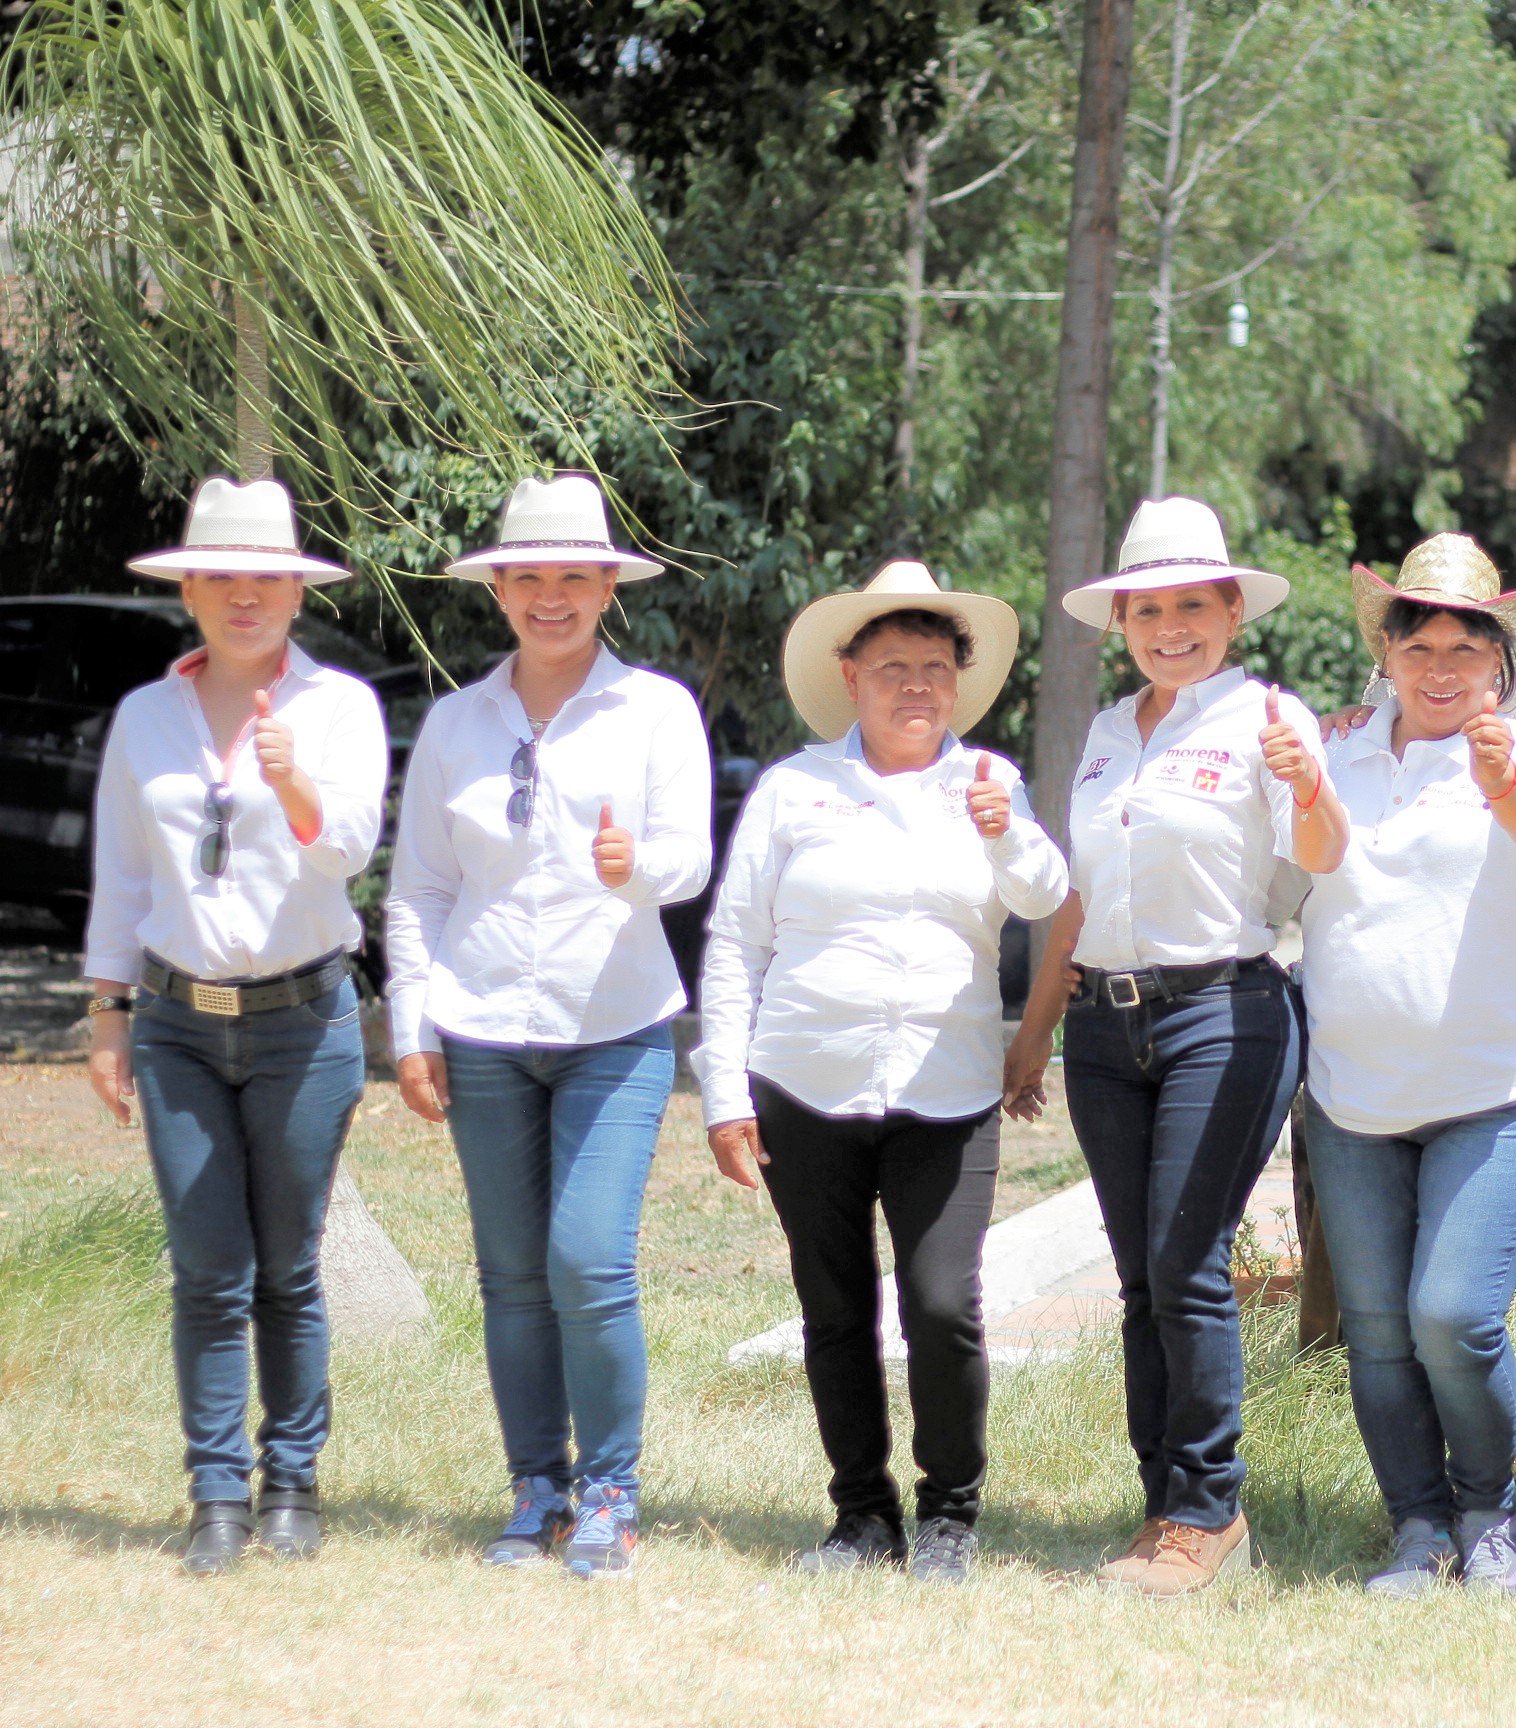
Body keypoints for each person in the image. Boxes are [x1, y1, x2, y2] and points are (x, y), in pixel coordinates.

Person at [694, 560, 1068, 1585]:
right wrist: (724, 1091)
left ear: (959, 682)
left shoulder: (987, 784)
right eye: (893, 665)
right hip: (804, 1084)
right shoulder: (794, 790)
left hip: (946, 1093)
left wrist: (1006, 829)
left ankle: (951, 1511)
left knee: (943, 1304)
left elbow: (1043, 895)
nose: (916, 686)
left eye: (936, 668)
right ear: (849, 673)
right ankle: (862, 1515)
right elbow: (736, 946)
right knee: (835, 1306)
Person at [1004, 496, 1348, 1597]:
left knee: (1184, 1263)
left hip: (1225, 1013)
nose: (1170, 625)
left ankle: (1210, 1511)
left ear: (1232, 611)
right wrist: (1035, 1032)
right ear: (1121, 623)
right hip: (1104, 1026)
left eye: (1193, 604)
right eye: (1147, 608)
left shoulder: (1269, 718)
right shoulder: (1109, 734)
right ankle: (1164, 1509)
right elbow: (1076, 893)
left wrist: (1309, 783)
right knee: (1139, 1278)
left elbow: (1322, 859)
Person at [385, 473, 711, 1581]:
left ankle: (611, 1492)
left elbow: (692, 859)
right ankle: (537, 1489)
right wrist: (412, 1021)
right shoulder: (454, 722)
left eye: (577, 575)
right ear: (500, 590)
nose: (553, 596)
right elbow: (418, 887)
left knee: (587, 1260)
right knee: (512, 1272)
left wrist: (638, 869)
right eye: (531, 576)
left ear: (610, 585)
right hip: (479, 1028)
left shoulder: (656, 709)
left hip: (614, 1026)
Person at [81, 477, 387, 1576]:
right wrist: (107, 1012)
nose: (245, 597)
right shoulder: (147, 717)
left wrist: (294, 780)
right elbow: (121, 874)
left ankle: (292, 1479)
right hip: (174, 1024)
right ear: (192, 590)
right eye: (223, 578)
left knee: (287, 1268)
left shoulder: (340, 707)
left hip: (303, 1022)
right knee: (207, 1266)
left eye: (267, 579)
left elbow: (347, 847)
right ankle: (216, 1492)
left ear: (296, 594)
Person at [1296, 534, 1516, 1598]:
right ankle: (1416, 1526)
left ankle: (1488, 1512)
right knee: (1375, 1335)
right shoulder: (1336, 750)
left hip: (1497, 1088)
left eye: (1470, 644)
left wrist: (1501, 779)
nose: (1444, 664)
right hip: (1353, 1093)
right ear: (1388, 652)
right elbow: (1301, 860)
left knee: (1451, 1317)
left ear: (1501, 663)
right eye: (1421, 642)